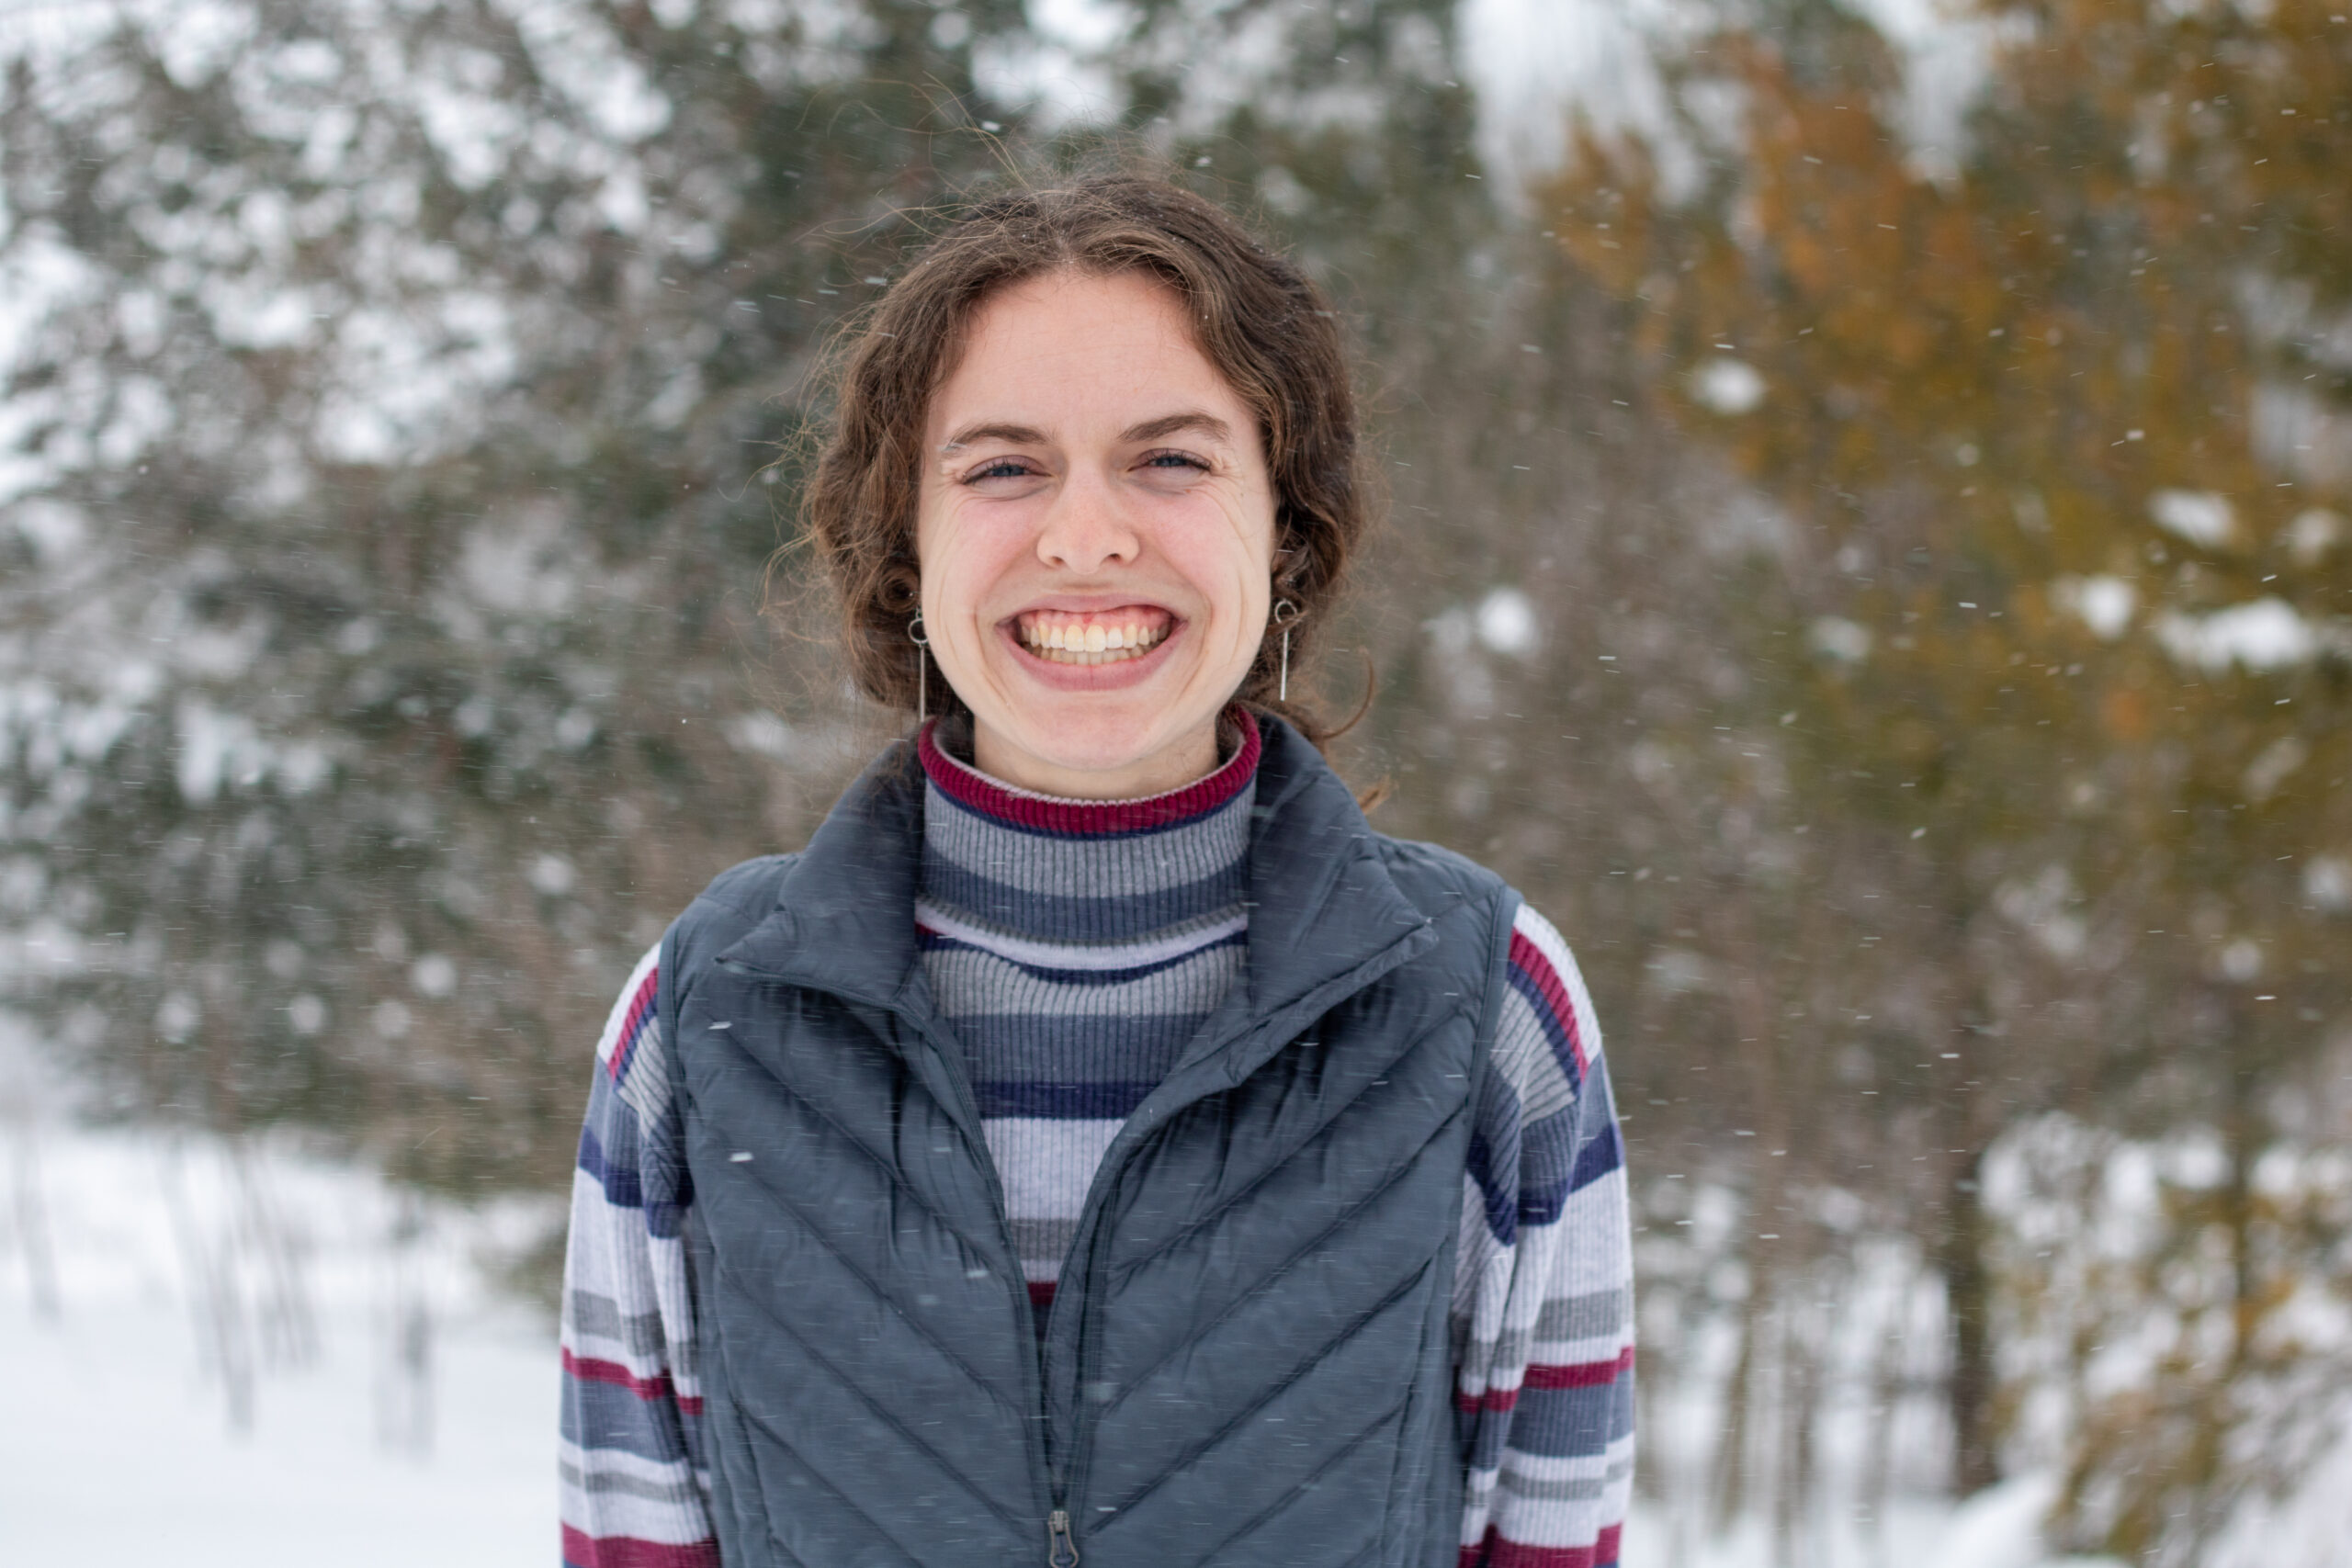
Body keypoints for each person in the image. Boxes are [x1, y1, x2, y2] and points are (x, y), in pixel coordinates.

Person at [556, 173, 1634, 1568]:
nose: (1084, 536)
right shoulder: (704, 1017)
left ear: (1287, 526)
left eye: (1170, 459)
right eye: (1003, 467)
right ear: (906, 544)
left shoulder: (1488, 1002)